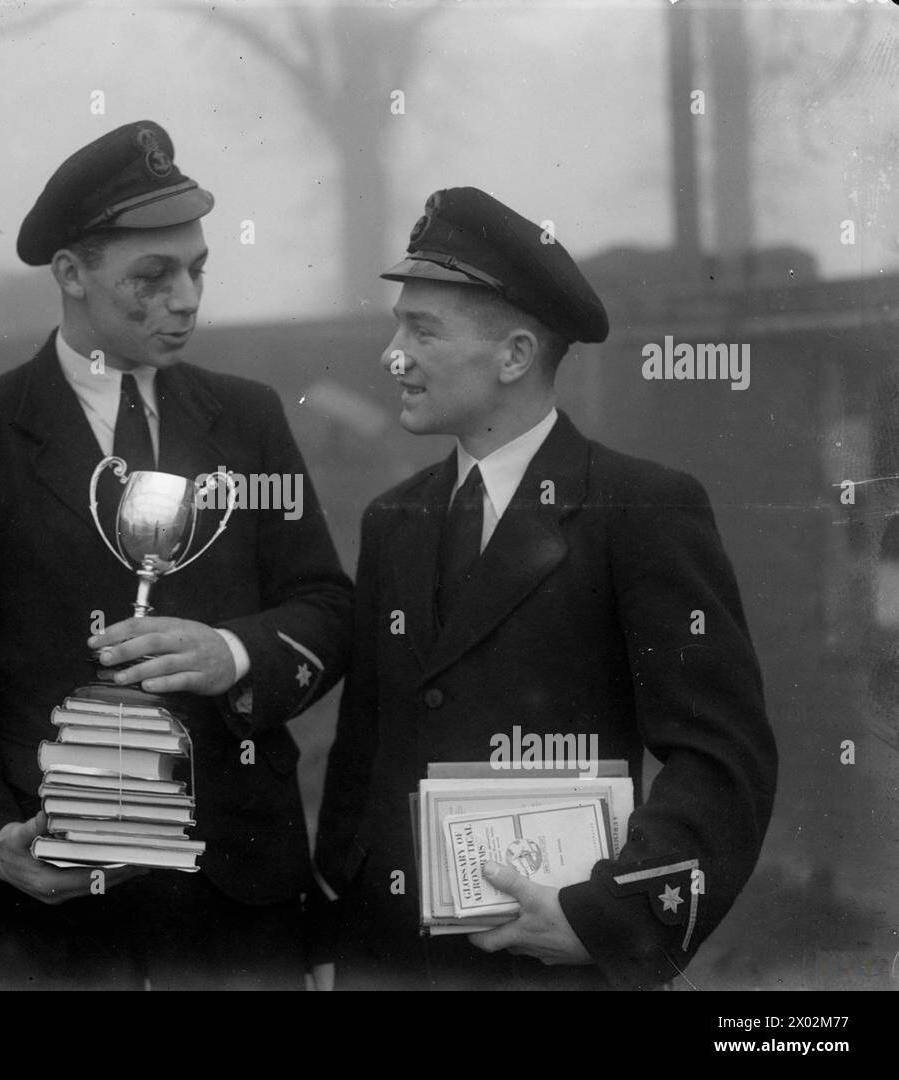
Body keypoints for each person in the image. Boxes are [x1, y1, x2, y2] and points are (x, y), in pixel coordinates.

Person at [0, 121, 352, 989]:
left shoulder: (248, 419)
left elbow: (326, 606)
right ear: (70, 274)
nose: (186, 299)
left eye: (198, 270)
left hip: (236, 899)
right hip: (53, 909)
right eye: (153, 276)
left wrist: (235, 652)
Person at [312, 187, 778, 990]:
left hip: (549, 964)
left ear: (516, 355)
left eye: (422, 329)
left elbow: (721, 756)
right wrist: (330, 932)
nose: (393, 354)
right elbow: (367, 752)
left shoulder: (642, 509)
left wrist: (611, 918)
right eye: (397, 324)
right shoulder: (396, 517)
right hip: (383, 958)